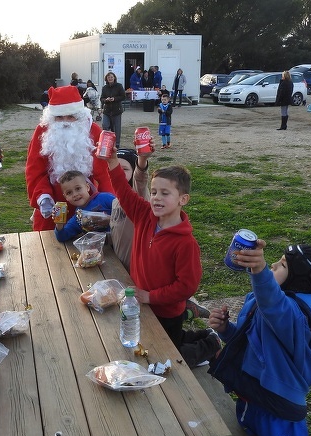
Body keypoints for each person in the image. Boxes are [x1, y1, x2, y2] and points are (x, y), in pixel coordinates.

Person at [207, 241, 311, 436]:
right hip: (254, 396)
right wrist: (226, 330)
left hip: (279, 409)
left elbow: (275, 304)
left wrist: (259, 270)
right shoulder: (266, 304)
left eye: (282, 265)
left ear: (297, 280)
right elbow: (253, 346)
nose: (274, 266)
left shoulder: (292, 319)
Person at [102, 153, 221, 367]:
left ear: (182, 199)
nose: (156, 197)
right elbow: (123, 191)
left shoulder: (185, 243)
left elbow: (186, 286)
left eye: (165, 193)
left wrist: (151, 296)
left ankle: (212, 345)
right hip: (142, 304)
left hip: (166, 312)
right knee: (154, 344)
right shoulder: (144, 215)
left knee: (166, 358)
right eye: (154, 192)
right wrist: (112, 163)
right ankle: (202, 334)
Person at [25, 85, 114, 231]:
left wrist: (111, 202)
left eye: (71, 117)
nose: (65, 122)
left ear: (79, 116)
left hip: (89, 203)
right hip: (53, 204)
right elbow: (34, 169)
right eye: (59, 117)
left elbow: (105, 172)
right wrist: (42, 196)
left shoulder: (93, 131)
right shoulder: (43, 132)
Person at [53, 170, 115, 242]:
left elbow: (124, 210)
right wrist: (59, 224)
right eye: (69, 193)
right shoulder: (78, 218)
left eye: (78, 188)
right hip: (99, 250)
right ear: (65, 197)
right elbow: (62, 237)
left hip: (121, 241)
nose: (75, 194)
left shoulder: (104, 198)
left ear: (87, 187)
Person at [100, 72, 126, 149]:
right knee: (105, 125)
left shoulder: (119, 86)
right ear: (106, 79)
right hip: (107, 110)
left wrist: (114, 99)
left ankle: (117, 144)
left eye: (111, 77)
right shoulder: (104, 88)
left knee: (116, 128)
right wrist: (105, 100)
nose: (110, 78)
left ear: (114, 78)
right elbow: (101, 98)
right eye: (108, 77)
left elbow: (123, 96)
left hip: (116, 110)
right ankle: (107, 142)